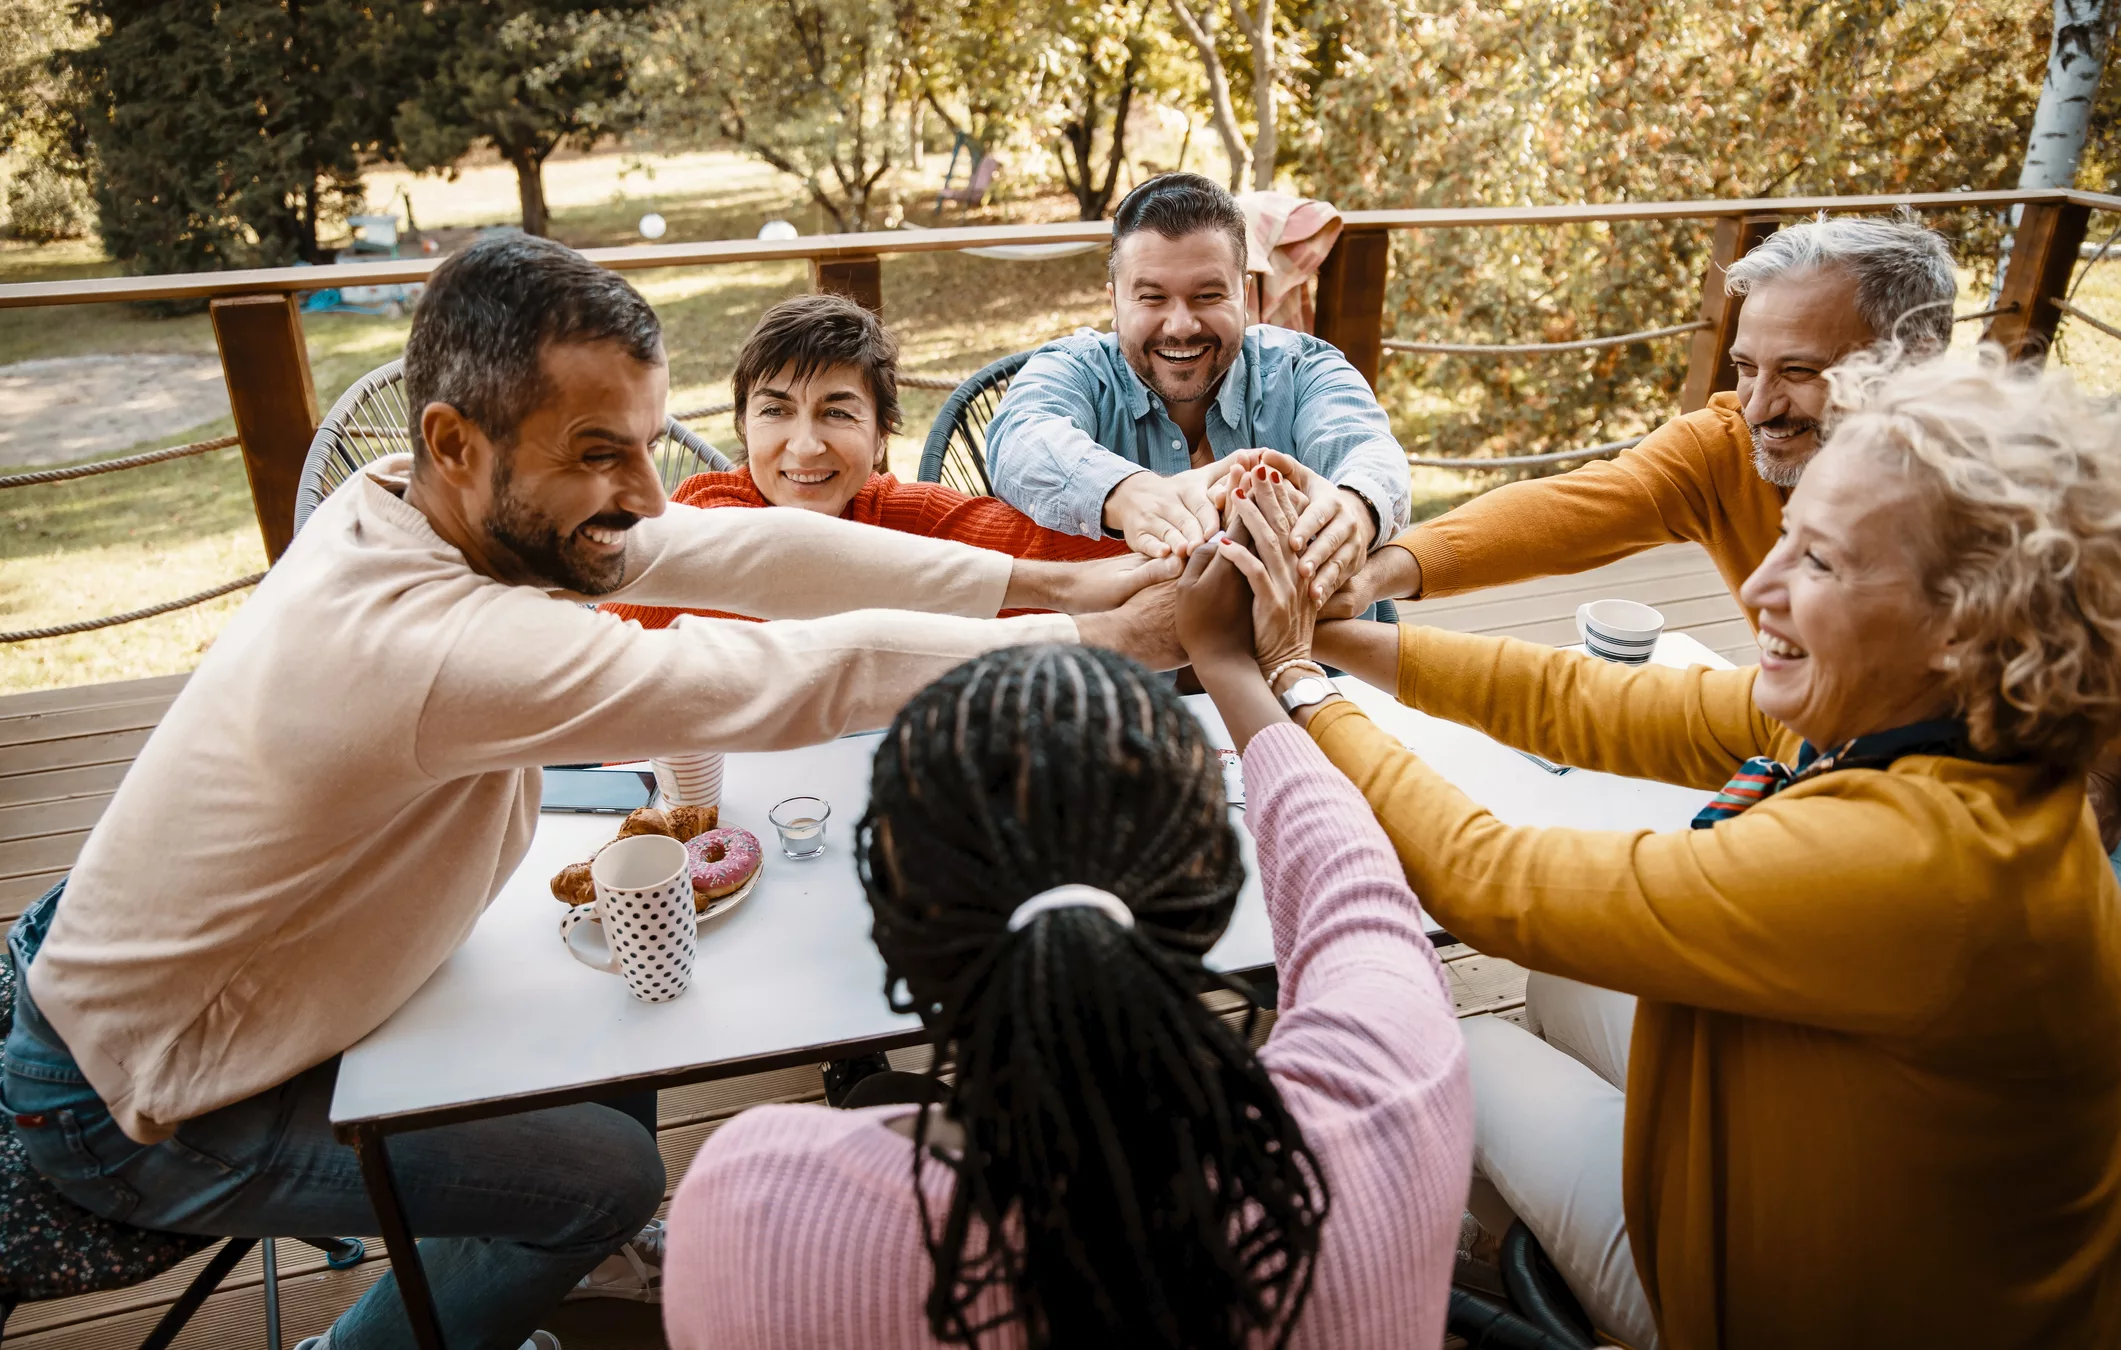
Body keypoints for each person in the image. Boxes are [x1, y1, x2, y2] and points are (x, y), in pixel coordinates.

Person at [0, 234, 1183, 1350]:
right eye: (599, 454)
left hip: (224, 975)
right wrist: (1098, 645)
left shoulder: (413, 500)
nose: (650, 497)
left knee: (606, 1018)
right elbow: (780, 672)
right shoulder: (432, 641)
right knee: (611, 1177)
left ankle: (538, 1254)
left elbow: (752, 553)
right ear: (455, 440)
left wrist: (1051, 582)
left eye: (649, 443)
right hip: (140, 1098)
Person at [1250, 348, 2121, 1348]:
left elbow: (1491, 881)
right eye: (1787, 537)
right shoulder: (1926, 714)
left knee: (1464, 1041)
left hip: (1809, 1307)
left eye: (1822, 561)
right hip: (1845, 1171)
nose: (1761, 585)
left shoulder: (1924, 861)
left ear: (1963, 628)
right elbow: (1592, 701)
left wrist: (1295, 682)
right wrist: (1337, 635)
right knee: (1565, 987)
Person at [661, 574, 1474, 1349]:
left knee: (879, 1095)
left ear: (900, 935)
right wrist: (1232, 664)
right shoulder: (1395, 1090)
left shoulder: (753, 1205)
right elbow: (1351, 874)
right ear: (1212, 890)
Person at [1324, 211, 1959, 625]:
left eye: (1799, 372)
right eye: (1744, 368)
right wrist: (1378, 574)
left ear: (1912, 366)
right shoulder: (1727, 446)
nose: (1760, 408)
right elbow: (1572, 509)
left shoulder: (1998, 517)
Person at [982, 171, 1410, 606]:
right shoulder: (1072, 368)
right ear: (1114, 304)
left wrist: (1356, 509)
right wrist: (1132, 496)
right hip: (1120, 671)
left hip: (1323, 667)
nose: (1181, 326)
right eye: (1152, 298)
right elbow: (1018, 436)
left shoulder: (1305, 368)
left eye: (1207, 296)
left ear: (1244, 296)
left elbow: (1370, 452)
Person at [603, 294, 1126, 633]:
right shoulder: (707, 511)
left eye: (837, 412)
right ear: (743, 425)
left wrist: (1183, 508)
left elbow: (1053, 549)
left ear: (881, 436)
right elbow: (781, 560)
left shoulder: (910, 517)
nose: (805, 445)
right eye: (776, 411)